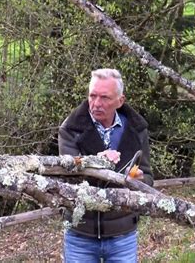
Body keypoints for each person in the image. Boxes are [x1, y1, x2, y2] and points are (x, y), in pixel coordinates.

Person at [58, 68, 154, 262]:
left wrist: (138, 180)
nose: (96, 104)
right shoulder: (71, 128)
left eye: (104, 98)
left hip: (122, 233)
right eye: (92, 96)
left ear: (120, 101)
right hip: (80, 233)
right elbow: (68, 179)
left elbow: (149, 178)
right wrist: (95, 162)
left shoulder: (136, 129)